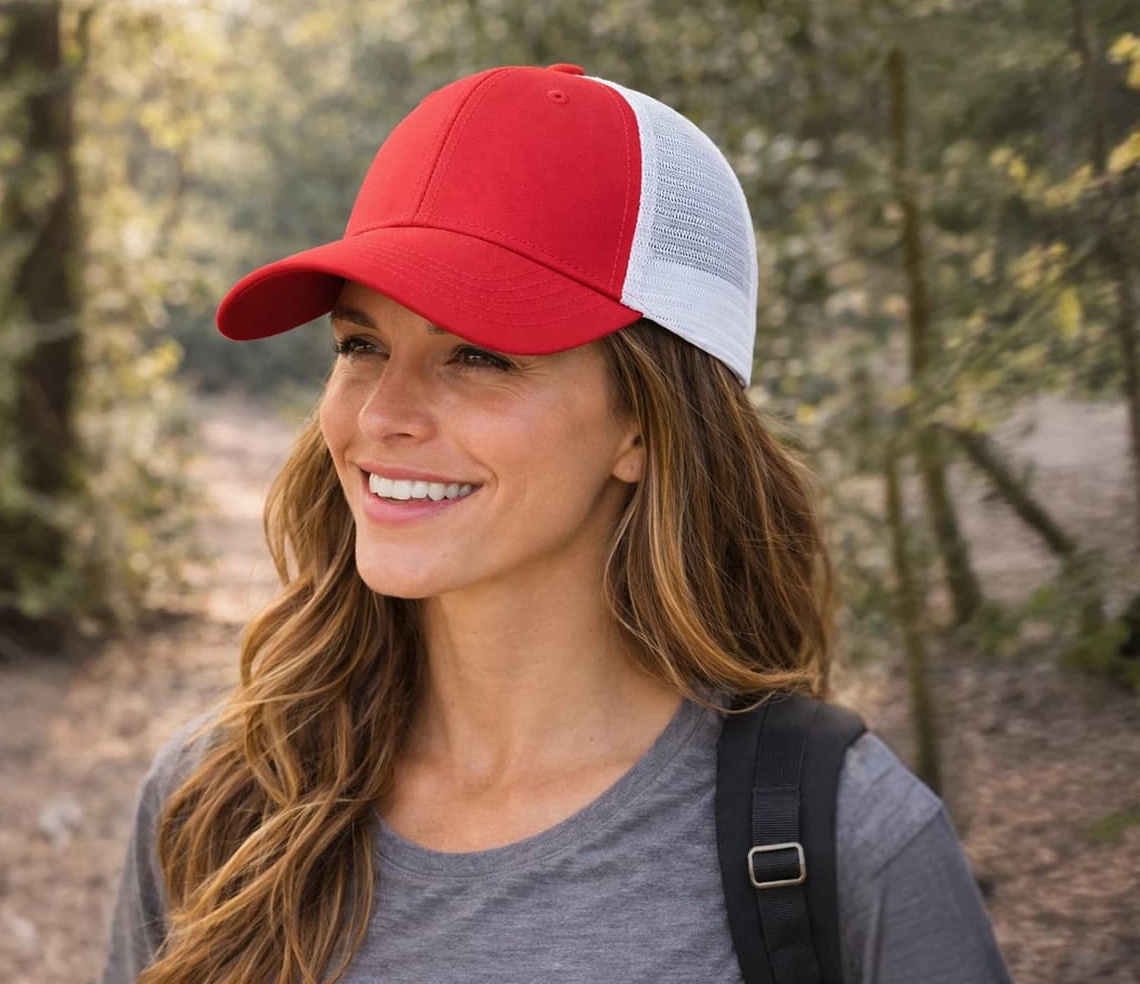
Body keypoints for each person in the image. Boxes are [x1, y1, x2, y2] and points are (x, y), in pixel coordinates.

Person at [98, 63, 1014, 984]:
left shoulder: (850, 847)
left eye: (478, 355)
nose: (381, 415)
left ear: (645, 425)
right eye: (361, 344)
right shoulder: (220, 805)